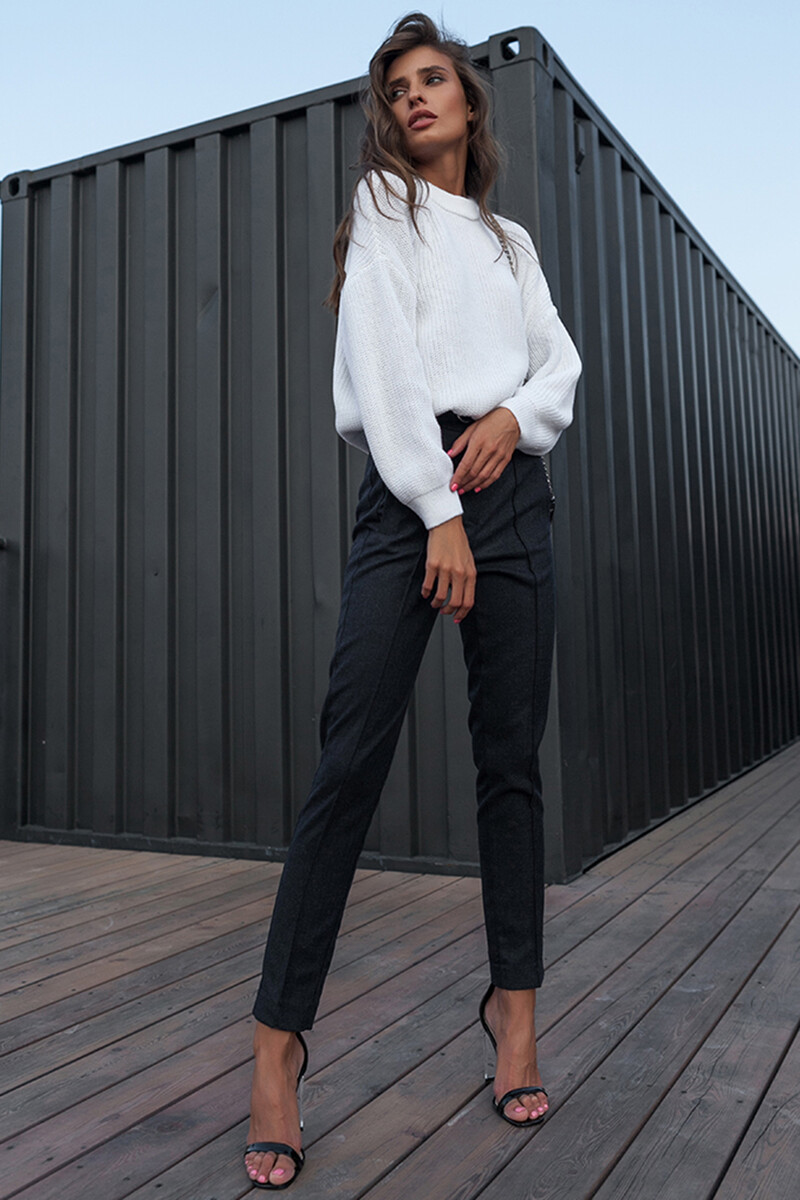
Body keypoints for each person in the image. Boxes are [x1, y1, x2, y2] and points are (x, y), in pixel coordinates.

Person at [244, 12, 582, 1189]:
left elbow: (558, 366)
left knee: (510, 765)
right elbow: (383, 368)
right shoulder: (381, 210)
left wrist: (511, 417)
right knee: (348, 762)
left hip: (513, 493)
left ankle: (514, 1013)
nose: (414, 99)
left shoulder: (510, 242)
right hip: (411, 497)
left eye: (433, 80)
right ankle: (278, 1048)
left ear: (469, 102)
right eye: (396, 90)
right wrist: (438, 507)